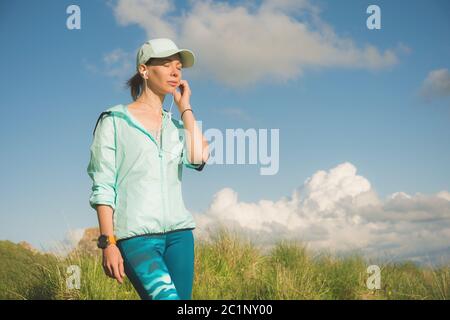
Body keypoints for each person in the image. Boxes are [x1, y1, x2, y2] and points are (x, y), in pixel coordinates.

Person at [86, 38, 210, 300]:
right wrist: (108, 242)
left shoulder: (176, 127)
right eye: (166, 65)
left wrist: (184, 107)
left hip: (180, 237)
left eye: (179, 67)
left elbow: (199, 158)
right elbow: (103, 185)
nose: (175, 72)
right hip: (137, 238)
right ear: (144, 70)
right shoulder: (114, 120)